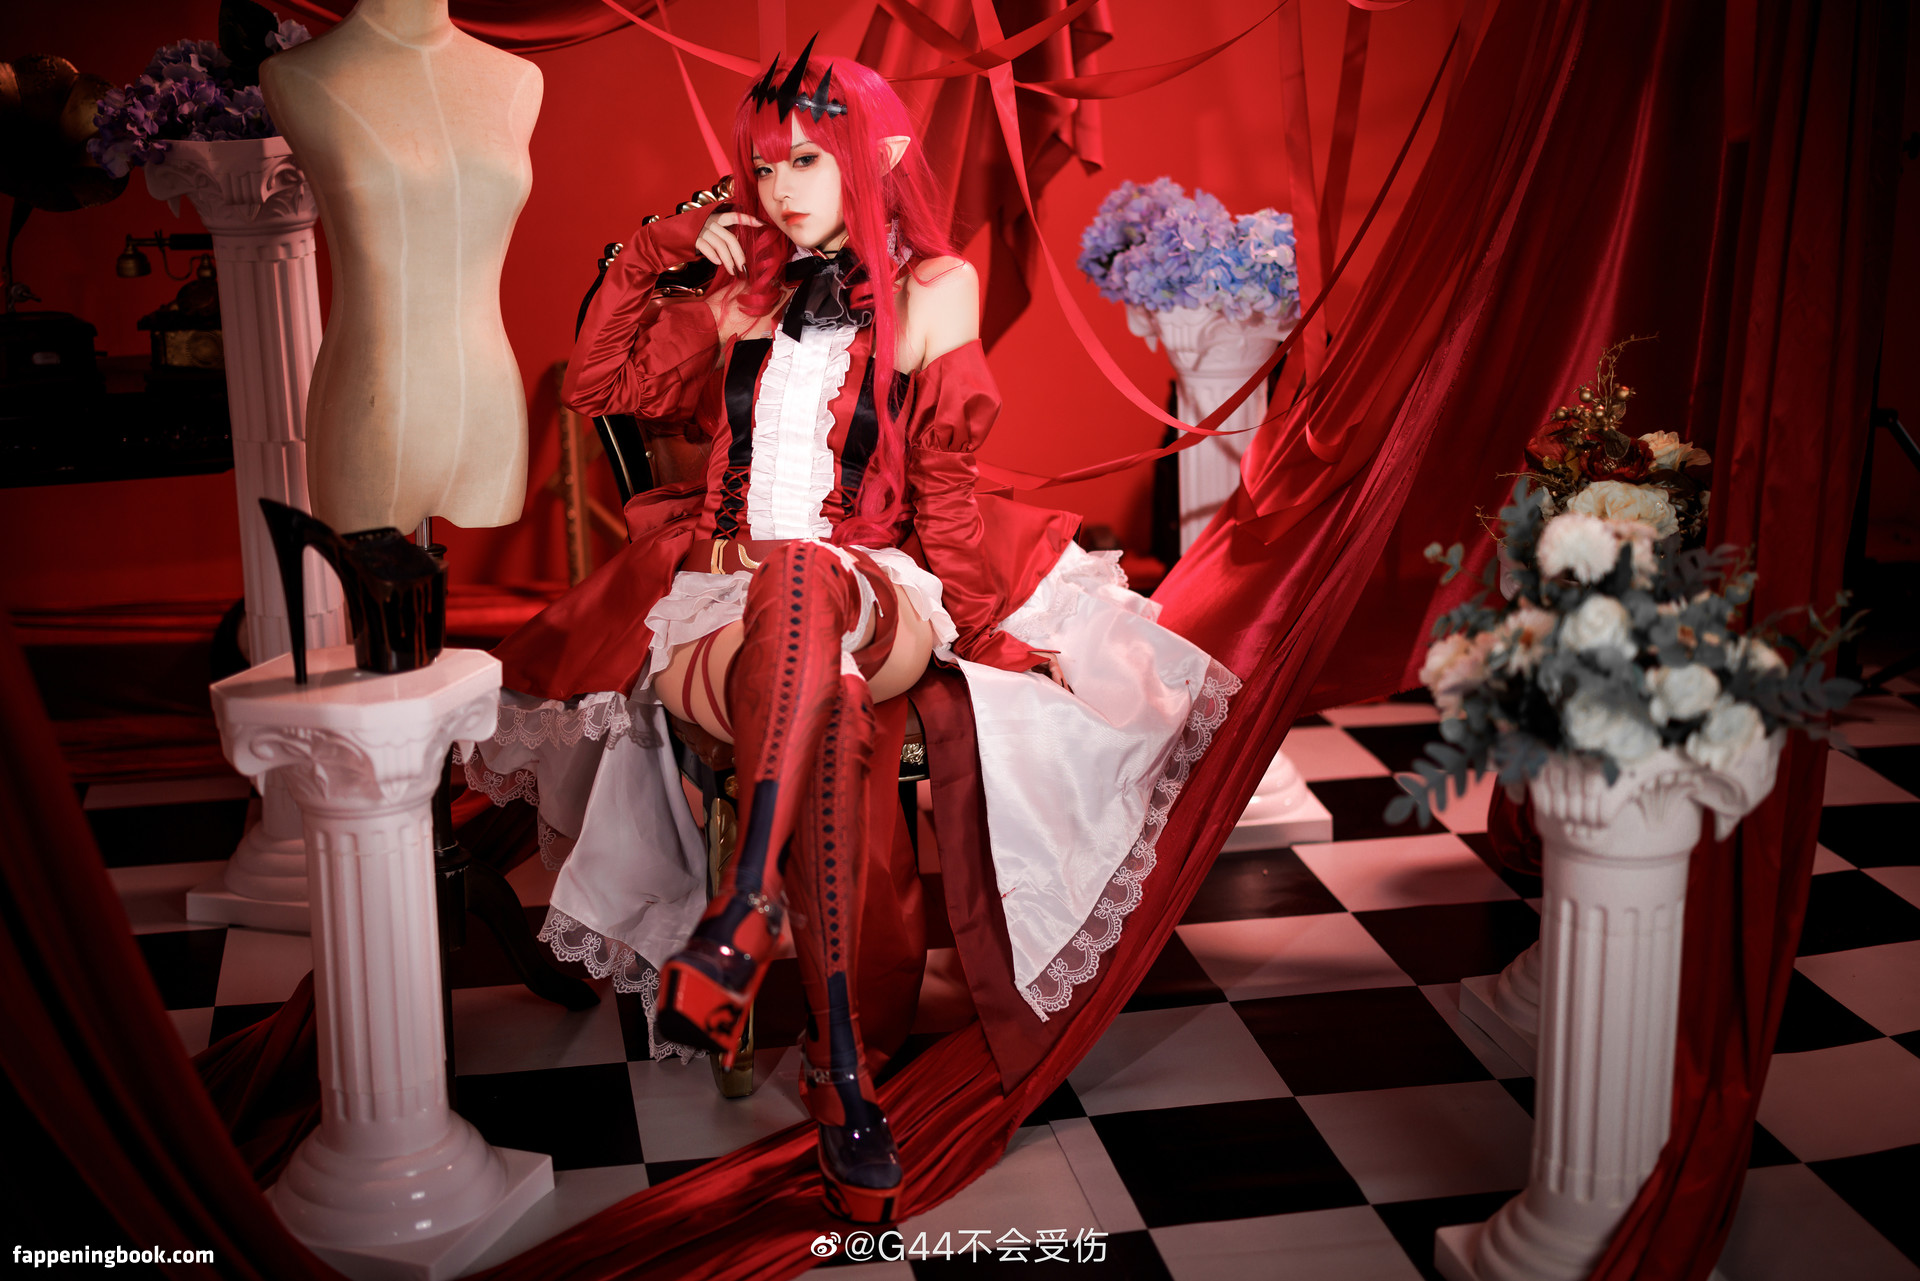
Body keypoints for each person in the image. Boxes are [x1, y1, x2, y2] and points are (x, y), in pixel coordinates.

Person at [468, 40, 1238, 1223]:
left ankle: (741, 911)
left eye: (807, 161)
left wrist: (987, 631)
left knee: (812, 577)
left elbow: (948, 492)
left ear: (878, 157)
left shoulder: (937, 288)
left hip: (880, 588)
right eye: (764, 164)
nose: (780, 187)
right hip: (724, 598)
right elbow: (596, 386)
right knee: (815, 683)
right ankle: (838, 1065)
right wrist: (666, 249)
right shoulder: (743, 293)